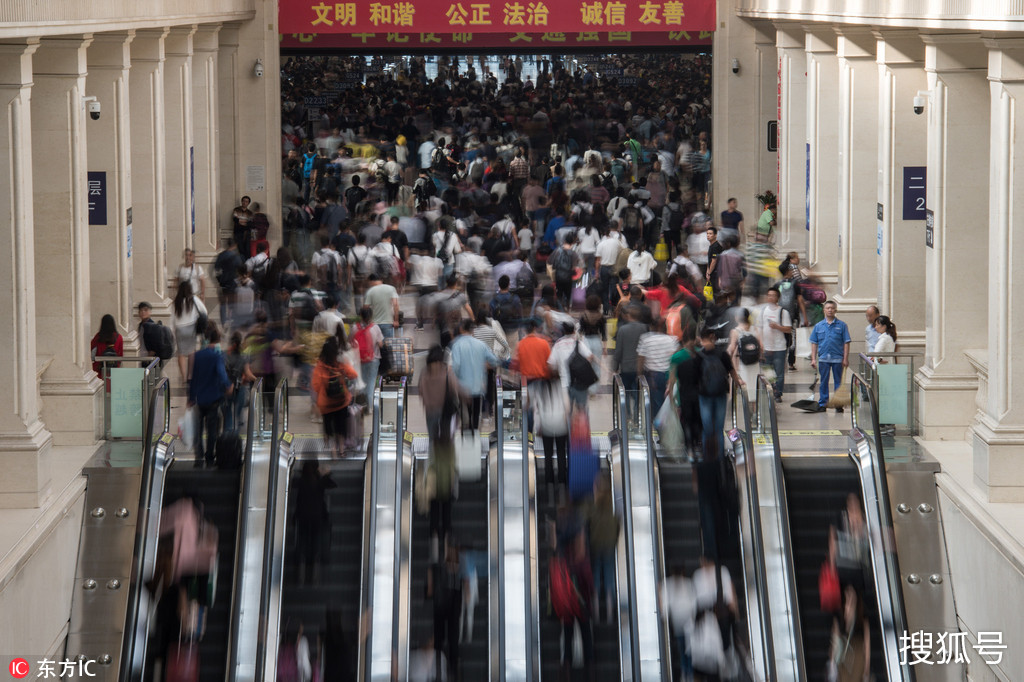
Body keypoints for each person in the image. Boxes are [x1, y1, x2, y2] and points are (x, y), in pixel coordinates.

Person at [419, 346, 463, 557]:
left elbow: (419, 390)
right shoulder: (446, 372)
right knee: (445, 445)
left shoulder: (425, 373)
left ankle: (436, 470)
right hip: (443, 414)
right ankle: (446, 476)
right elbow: (455, 390)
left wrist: (428, 402)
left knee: (435, 443)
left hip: (433, 413)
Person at [696, 326, 745, 458]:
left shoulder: (699, 356)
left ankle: (707, 455)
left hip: (704, 395)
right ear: (715, 339)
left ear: (701, 339)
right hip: (720, 394)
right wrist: (739, 382)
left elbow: (695, 377)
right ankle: (719, 455)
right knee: (719, 428)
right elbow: (732, 371)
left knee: (707, 429)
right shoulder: (722, 354)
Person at [188, 322, 231, 467]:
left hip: (199, 399)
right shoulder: (217, 356)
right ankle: (210, 456)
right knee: (212, 430)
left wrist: (191, 397)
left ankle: (198, 456)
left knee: (198, 430)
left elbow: (193, 378)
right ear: (218, 340)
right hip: (214, 398)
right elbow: (221, 373)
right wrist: (228, 385)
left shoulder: (197, 356)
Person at [311, 336, 359, 457]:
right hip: (341, 402)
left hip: (326, 404)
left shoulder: (319, 367)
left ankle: (332, 450)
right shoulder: (340, 365)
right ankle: (342, 450)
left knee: (329, 427)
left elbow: (315, 385)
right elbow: (353, 374)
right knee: (341, 427)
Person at [449, 319, 500, 431]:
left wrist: (455, 380)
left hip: (463, 388)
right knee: (476, 414)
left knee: (465, 413)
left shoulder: (457, 345)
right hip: (478, 386)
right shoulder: (481, 345)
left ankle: (466, 435)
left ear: (462, 329)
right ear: (472, 331)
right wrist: (485, 365)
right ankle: (475, 432)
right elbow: (494, 360)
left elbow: (456, 366)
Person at [292, 460, 337, 586]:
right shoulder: (318, 481)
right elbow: (333, 484)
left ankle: (300, 577)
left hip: (302, 518)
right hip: (318, 518)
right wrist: (326, 474)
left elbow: (298, 499)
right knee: (316, 544)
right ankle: (315, 578)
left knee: (302, 544)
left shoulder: (301, 481)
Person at [587, 476, 620, 624]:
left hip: (595, 545)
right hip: (609, 545)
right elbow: (618, 527)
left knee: (594, 577)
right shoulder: (613, 511)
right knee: (609, 578)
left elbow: (588, 526)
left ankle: (595, 613)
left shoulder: (593, 510)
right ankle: (610, 613)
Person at [810, 301, 852, 413]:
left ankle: (838, 403)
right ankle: (823, 403)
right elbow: (814, 343)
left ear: (836, 310)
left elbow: (846, 342)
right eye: (827, 308)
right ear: (824, 310)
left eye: (832, 308)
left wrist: (845, 358)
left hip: (838, 358)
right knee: (824, 381)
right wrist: (813, 358)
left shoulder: (842, 326)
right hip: (823, 358)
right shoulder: (818, 326)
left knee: (838, 381)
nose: (830, 310)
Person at [548, 320, 597, 408]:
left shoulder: (558, 344)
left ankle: (569, 421)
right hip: (579, 382)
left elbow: (550, 365)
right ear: (574, 331)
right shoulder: (578, 343)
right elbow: (590, 356)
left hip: (564, 383)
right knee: (581, 409)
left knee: (567, 411)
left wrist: (556, 373)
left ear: (563, 331)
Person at [637, 318, 680, 420]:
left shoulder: (645, 338)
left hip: (653, 376)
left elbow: (641, 358)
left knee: (656, 403)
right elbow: (676, 357)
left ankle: (658, 426)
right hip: (670, 375)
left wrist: (639, 375)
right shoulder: (673, 340)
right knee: (670, 401)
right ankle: (669, 424)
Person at [760, 288, 793, 403]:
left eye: (773, 295)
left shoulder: (783, 312)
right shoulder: (763, 311)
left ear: (777, 297)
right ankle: (770, 389)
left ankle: (778, 392)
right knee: (767, 370)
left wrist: (777, 327)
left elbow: (789, 329)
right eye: (769, 295)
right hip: (766, 346)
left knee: (779, 372)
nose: (771, 297)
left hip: (779, 347)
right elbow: (759, 328)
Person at [171, 280, 208, 383]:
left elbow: (172, 318)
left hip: (179, 329)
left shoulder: (176, 301)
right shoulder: (194, 299)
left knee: (181, 354)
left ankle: (183, 377)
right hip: (191, 328)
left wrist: (171, 330)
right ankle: (190, 375)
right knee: (191, 352)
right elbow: (204, 311)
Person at [222, 331, 255, 434]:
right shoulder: (244, 356)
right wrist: (257, 381)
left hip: (226, 388)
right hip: (239, 388)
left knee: (227, 414)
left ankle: (227, 435)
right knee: (238, 413)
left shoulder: (223, 355)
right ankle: (236, 435)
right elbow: (248, 374)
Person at [727, 308, 761, 407]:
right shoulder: (755, 329)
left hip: (743, 363)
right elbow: (761, 346)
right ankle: (755, 409)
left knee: (745, 386)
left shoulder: (735, 331)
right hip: (755, 363)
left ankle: (748, 411)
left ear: (737, 318)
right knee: (754, 386)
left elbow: (732, 348)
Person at [351, 306, 385, 407]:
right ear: (371, 315)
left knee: (360, 381)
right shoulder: (375, 328)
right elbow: (380, 344)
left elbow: (349, 341)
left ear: (360, 315)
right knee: (370, 383)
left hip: (358, 359)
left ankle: (360, 405)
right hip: (373, 360)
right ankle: (369, 406)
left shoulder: (354, 327)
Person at [547, 232, 581, 309]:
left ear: (565, 241)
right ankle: (568, 309)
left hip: (558, 277)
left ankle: (560, 309)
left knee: (559, 295)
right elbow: (574, 267)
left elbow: (549, 261)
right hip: (568, 278)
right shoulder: (573, 254)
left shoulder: (557, 251)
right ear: (572, 243)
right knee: (568, 296)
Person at [364, 271, 400, 338]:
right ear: (381, 280)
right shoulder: (391, 288)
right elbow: (395, 305)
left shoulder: (370, 291)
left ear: (371, 281)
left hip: (374, 324)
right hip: (388, 322)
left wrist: (366, 322)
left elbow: (366, 308)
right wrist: (396, 320)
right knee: (388, 345)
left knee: (376, 345)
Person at [90, 313, 123, 386]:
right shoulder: (119, 337)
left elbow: (91, 348)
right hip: (113, 368)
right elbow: (120, 355)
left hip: (99, 368)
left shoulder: (98, 337)